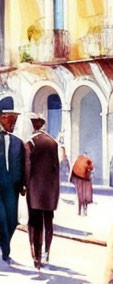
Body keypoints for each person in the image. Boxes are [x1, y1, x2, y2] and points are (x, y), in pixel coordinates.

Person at [25, 116, 59, 270]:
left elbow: (27, 167)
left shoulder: (30, 143)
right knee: (48, 223)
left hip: (34, 190)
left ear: (34, 126)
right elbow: (56, 169)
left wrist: (24, 186)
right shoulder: (53, 142)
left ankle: (36, 257)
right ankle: (47, 253)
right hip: (50, 191)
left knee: (34, 224)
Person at [0, 109, 25, 265]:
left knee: (12, 220)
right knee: (1, 218)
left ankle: (5, 244)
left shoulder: (18, 143)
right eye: (10, 121)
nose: (13, 124)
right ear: (2, 119)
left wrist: (23, 184)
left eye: (14, 121)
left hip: (12, 187)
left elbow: (23, 165)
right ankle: (5, 251)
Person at [70, 152, 94, 216]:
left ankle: (80, 211)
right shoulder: (88, 160)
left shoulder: (78, 160)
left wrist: (72, 179)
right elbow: (91, 168)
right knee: (85, 196)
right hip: (86, 180)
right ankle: (83, 210)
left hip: (80, 180)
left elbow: (73, 170)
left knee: (80, 195)